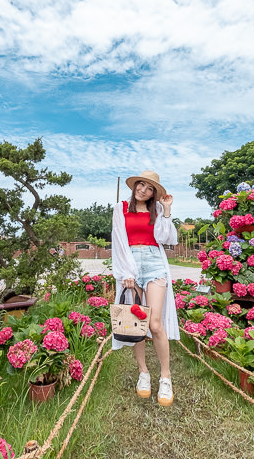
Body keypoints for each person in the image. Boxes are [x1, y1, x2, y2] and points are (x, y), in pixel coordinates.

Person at [111, 170, 179, 406]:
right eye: (140, 185)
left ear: (153, 194)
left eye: (149, 188)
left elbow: (166, 238)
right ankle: (143, 373)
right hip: (130, 264)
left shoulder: (157, 210)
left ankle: (166, 377)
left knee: (155, 323)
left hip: (153, 263)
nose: (143, 190)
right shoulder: (120, 208)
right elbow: (118, 242)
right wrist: (126, 273)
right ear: (134, 186)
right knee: (136, 321)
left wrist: (167, 210)